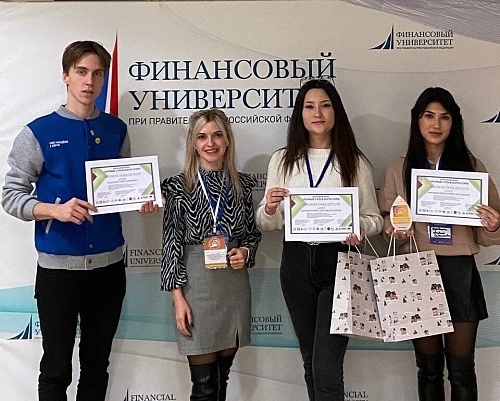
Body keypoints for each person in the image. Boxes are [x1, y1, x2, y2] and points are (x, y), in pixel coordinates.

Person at [1, 40, 158, 401]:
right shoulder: (38, 132)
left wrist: (140, 200)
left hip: (108, 268)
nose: (89, 81)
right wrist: (53, 210)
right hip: (59, 271)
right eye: (82, 72)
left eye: (97, 74)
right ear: (66, 76)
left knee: (97, 365)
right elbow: (10, 196)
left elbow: (121, 187)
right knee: (56, 367)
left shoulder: (116, 130)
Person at [255, 77, 383, 401]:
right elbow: (267, 223)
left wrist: (359, 228)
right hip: (296, 263)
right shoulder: (282, 160)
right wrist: (269, 207)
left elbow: (375, 219)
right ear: (300, 113)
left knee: (326, 368)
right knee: (311, 362)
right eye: (310, 106)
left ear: (336, 111)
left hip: (339, 263)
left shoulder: (355, 161)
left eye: (325, 105)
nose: (318, 113)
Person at [378, 87, 500, 401]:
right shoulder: (398, 167)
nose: (436, 124)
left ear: (453, 122)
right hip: (416, 268)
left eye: (445, 117)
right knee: (428, 369)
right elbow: (387, 224)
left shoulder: (472, 166)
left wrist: (494, 225)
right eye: (429, 115)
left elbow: (489, 232)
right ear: (417, 120)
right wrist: (395, 230)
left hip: (460, 268)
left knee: (462, 370)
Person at [161, 108, 262, 401]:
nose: (210, 143)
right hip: (196, 287)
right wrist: (178, 298)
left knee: (220, 382)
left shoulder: (242, 184)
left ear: (227, 140)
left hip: (233, 287)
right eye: (202, 137)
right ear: (193, 143)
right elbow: (170, 243)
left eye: (217, 135)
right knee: (204, 387)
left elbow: (252, 235)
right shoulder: (177, 187)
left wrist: (246, 252)